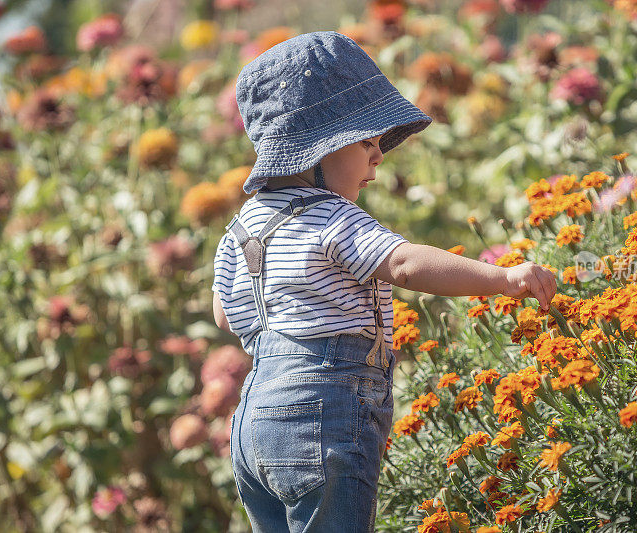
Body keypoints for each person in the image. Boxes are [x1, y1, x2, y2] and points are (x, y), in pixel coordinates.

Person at [211, 31, 557, 533]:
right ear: (317, 150)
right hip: (320, 416)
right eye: (367, 141)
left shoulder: (237, 231)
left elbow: (224, 314)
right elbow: (404, 265)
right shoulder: (332, 217)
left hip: (252, 426)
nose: (378, 157)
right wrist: (503, 277)